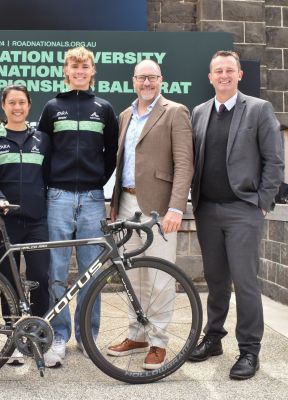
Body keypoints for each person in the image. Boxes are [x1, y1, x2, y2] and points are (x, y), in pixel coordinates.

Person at [189, 50, 284, 379]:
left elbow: (274, 160)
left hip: (243, 210)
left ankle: (249, 351)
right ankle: (213, 338)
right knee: (215, 282)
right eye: (218, 71)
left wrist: (263, 201)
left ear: (239, 75)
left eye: (230, 70)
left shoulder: (258, 109)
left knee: (245, 283)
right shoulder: (199, 113)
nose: (224, 75)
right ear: (210, 77)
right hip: (206, 210)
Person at [107, 59, 194, 370]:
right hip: (126, 205)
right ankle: (137, 334)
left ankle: (158, 341)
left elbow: (184, 164)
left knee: (159, 277)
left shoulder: (175, 111)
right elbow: (122, 165)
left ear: (161, 80)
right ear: (133, 81)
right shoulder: (125, 115)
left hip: (159, 208)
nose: (147, 83)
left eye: (152, 77)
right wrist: (115, 205)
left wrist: (176, 208)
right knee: (132, 275)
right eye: (142, 78)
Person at [37, 46, 119, 367]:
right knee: (56, 269)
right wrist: (50, 187)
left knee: (91, 269)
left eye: (85, 66)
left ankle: (88, 335)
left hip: (93, 198)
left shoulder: (105, 108)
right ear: (66, 71)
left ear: (92, 71)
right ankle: (59, 335)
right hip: (57, 196)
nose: (80, 71)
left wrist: (96, 180)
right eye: (74, 66)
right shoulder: (52, 107)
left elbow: (111, 152)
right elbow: (42, 151)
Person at [0, 84, 51, 366]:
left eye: (22, 102)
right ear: (4, 106)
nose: (17, 107)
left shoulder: (42, 139)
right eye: (12, 103)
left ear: (29, 105)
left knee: (40, 279)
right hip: (5, 222)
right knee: (8, 282)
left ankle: (35, 336)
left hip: (36, 221)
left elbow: (48, 177)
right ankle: (12, 337)